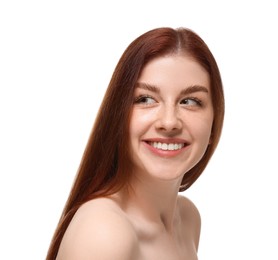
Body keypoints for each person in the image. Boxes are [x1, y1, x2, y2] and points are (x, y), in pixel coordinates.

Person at [46, 26, 224, 260]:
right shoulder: (104, 230)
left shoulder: (188, 219)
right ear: (118, 116)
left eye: (189, 101)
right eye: (146, 99)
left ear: (214, 120)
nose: (169, 122)